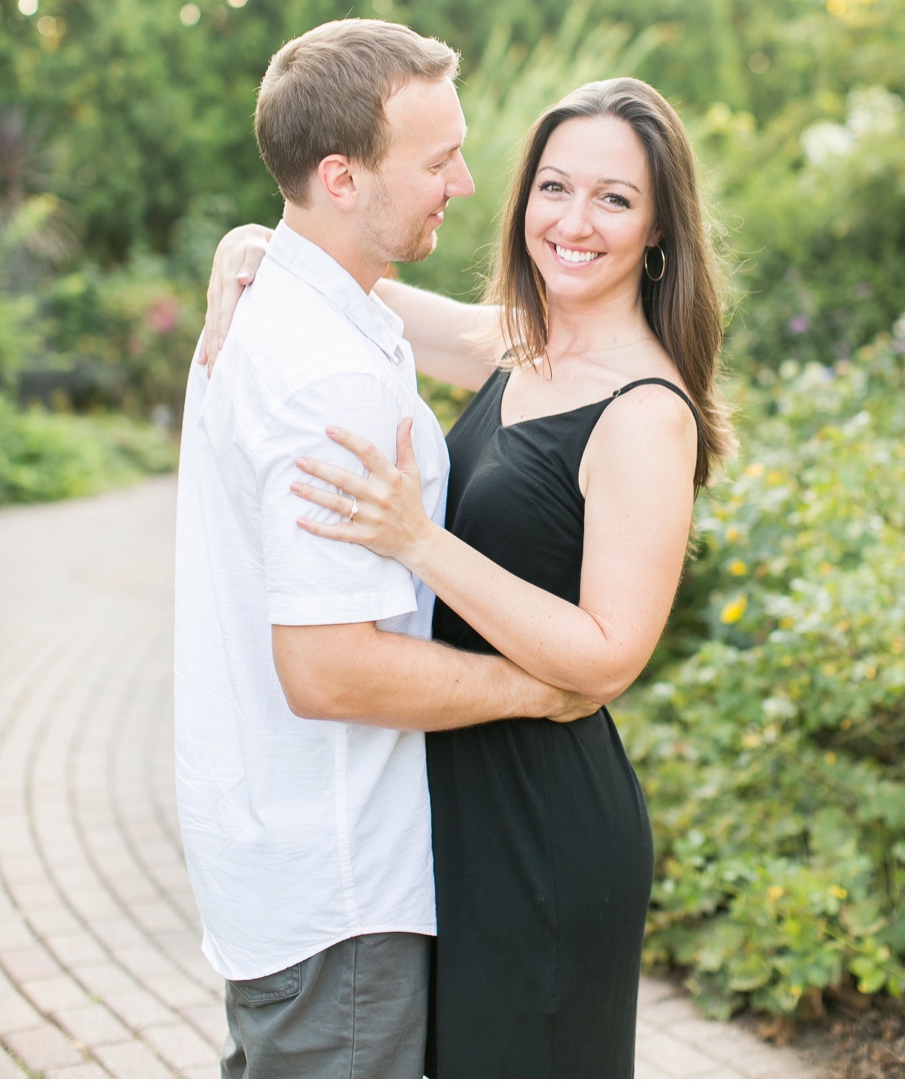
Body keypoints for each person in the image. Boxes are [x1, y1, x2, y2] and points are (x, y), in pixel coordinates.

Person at [203, 65, 732, 1077]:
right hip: (451, 810)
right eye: (554, 185)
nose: (574, 220)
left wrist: (419, 540)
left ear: (660, 228)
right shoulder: (512, 343)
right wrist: (246, 245)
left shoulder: (644, 411)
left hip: (543, 818)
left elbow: (610, 654)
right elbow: (344, 272)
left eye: (614, 198)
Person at [176, 19, 604, 1079]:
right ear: (341, 176)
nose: (464, 181)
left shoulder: (301, 299)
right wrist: (536, 686)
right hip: (339, 881)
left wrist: (256, 234)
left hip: (278, 851)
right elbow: (327, 665)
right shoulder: (328, 373)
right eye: (436, 159)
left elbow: (498, 338)